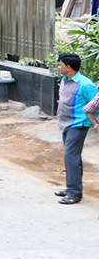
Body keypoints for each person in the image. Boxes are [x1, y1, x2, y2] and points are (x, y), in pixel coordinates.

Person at [55, 52, 95, 204]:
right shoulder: (65, 80)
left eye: (61, 65)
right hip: (65, 123)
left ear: (68, 67)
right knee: (74, 158)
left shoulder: (85, 84)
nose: (59, 67)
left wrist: (93, 121)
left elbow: (96, 104)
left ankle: (74, 193)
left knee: (70, 156)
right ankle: (72, 187)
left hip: (78, 125)